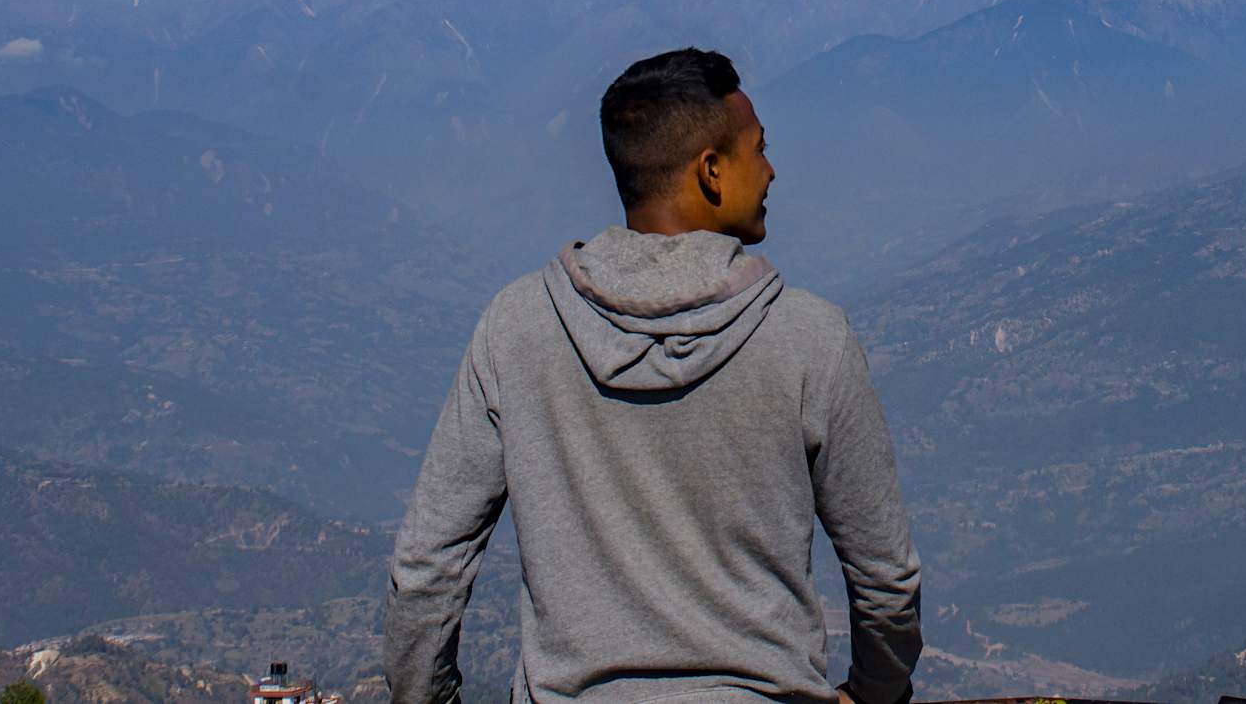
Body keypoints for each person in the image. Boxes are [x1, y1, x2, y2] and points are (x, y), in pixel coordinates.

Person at [385, 47, 922, 704]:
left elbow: (428, 569)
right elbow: (885, 580)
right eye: (759, 149)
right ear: (712, 171)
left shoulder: (516, 328)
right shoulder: (811, 339)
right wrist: (873, 693)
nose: (771, 169)